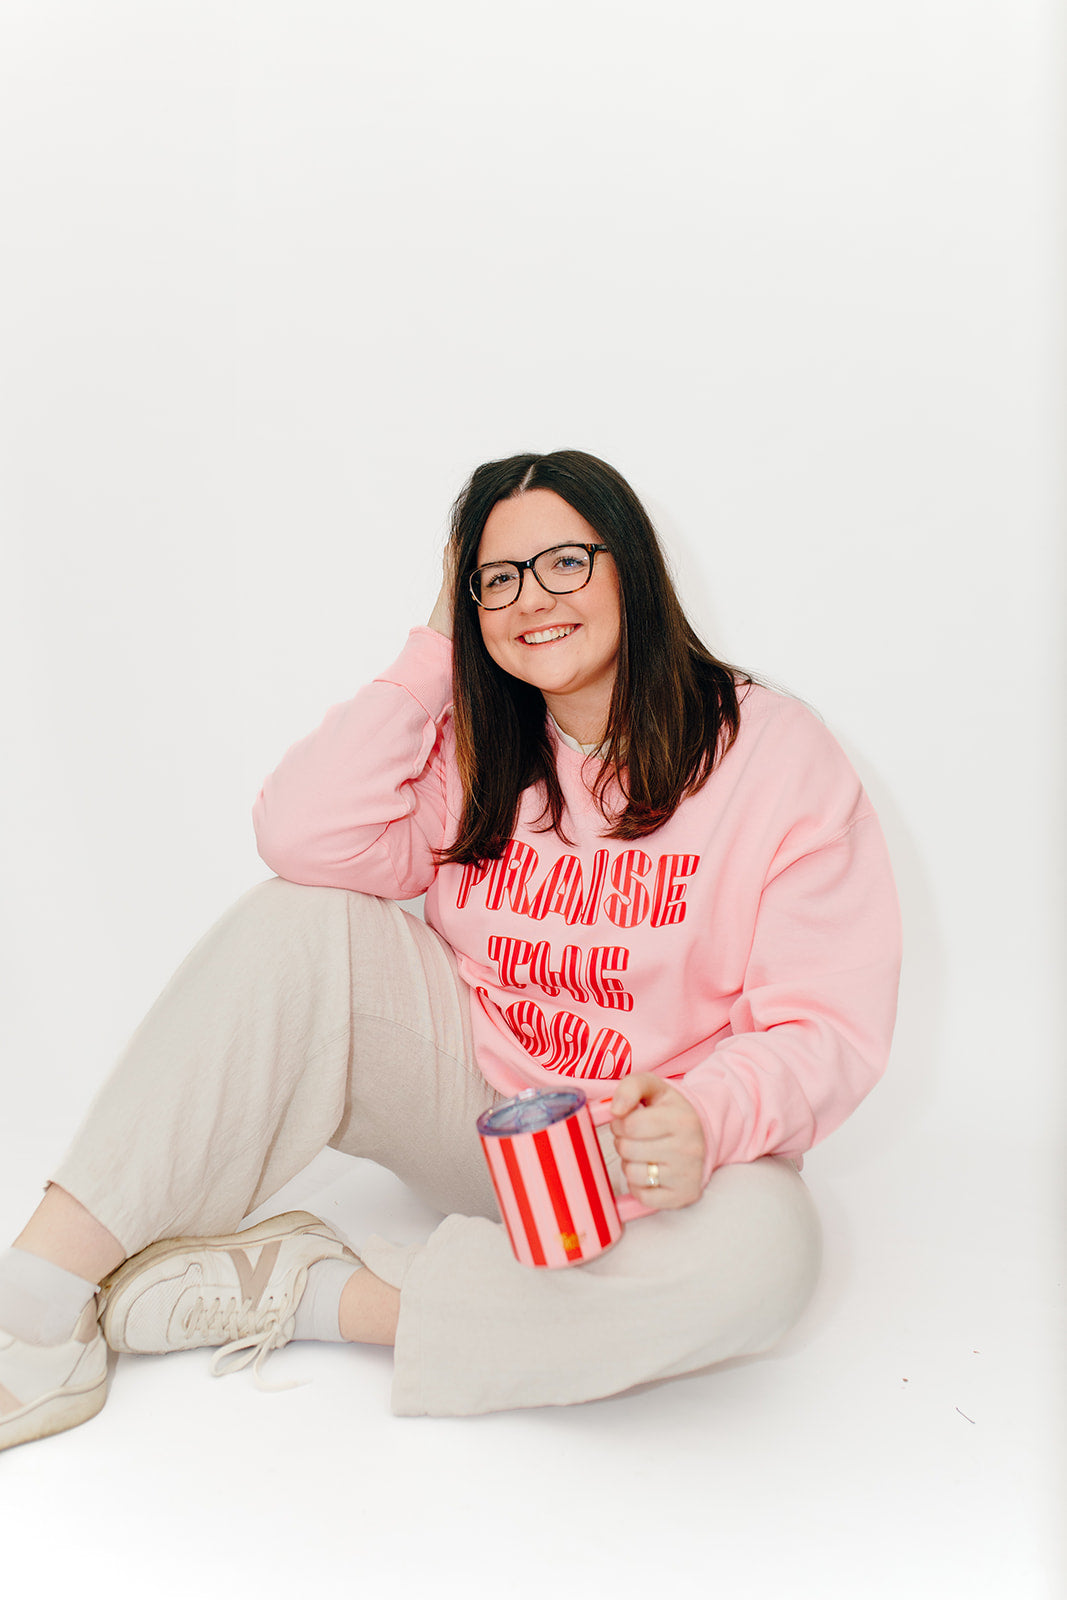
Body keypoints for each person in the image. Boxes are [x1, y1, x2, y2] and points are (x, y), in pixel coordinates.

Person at [0, 449, 901, 1447]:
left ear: (631, 568)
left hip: (648, 1153)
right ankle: (35, 1306)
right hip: (480, 1119)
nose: (531, 599)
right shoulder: (477, 742)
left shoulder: (774, 754)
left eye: (564, 562)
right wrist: (434, 651)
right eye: (495, 579)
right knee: (298, 919)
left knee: (770, 1257)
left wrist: (705, 1117)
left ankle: (316, 1291)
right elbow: (302, 835)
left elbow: (823, 1027)